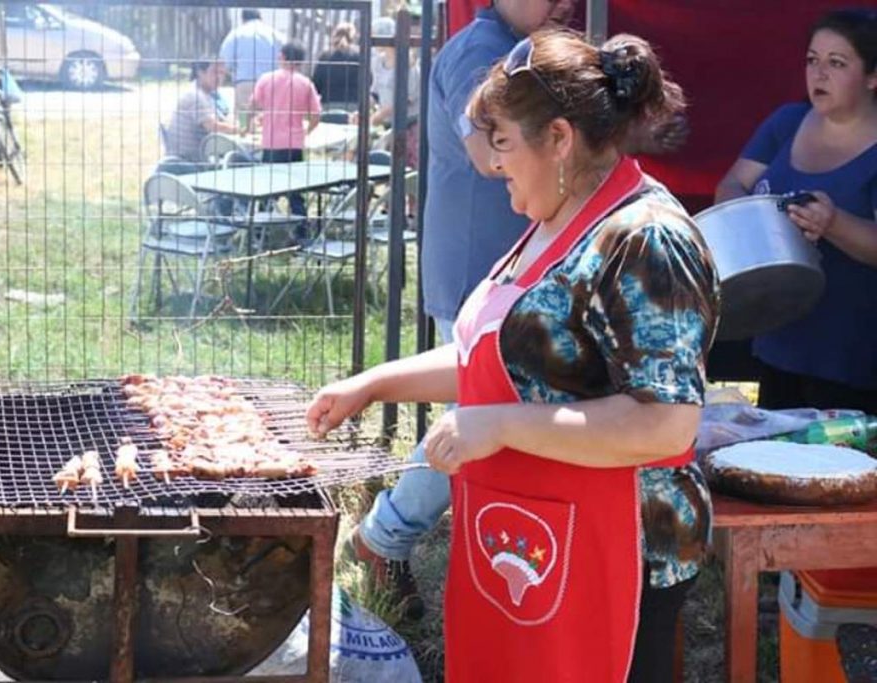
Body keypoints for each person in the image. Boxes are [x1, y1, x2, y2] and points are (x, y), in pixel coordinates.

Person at [309, 26, 720, 683]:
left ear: (558, 138)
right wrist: (373, 383)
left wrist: (497, 424)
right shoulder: (552, 216)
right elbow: (501, 362)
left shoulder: (648, 241)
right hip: (533, 537)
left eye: (502, 141)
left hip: (621, 547)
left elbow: (665, 422)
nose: (492, 162)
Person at [346, 0, 575, 621]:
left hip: (501, 264)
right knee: (475, 418)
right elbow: (484, 154)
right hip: (480, 265)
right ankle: (383, 536)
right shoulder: (480, 50)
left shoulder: (517, 45)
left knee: (483, 416)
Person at [714, 8, 877, 414]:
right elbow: (731, 185)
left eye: (836, 63)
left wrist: (834, 222)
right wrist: (756, 218)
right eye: (812, 60)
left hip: (852, 355)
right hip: (778, 338)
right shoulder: (786, 123)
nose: (818, 74)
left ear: (873, 77)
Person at [249, 42, 322, 236]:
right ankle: (301, 229)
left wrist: (255, 120)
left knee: (266, 190)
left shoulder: (266, 79)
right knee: (295, 191)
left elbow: (253, 104)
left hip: (271, 142)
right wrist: (307, 131)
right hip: (294, 143)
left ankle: (259, 230)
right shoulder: (305, 83)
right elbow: (316, 114)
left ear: (281, 56)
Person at [370, 16, 423, 169]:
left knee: (410, 170)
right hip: (388, 123)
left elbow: (407, 98)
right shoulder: (377, 61)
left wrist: (380, 115)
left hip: (410, 125)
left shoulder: (409, 63)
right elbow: (375, 90)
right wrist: (365, 108)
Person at [164, 59, 240, 164]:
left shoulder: (209, 95)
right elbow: (213, 127)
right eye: (214, 72)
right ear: (200, 73)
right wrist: (241, 130)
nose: (219, 77)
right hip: (188, 160)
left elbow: (223, 119)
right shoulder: (195, 96)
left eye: (222, 73)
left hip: (200, 155)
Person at [219, 9, 284, 125]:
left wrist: (234, 71)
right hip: (272, 83)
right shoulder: (275, 34)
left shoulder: (236, 34)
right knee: (269, 121)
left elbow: (224, 62)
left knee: (244, 123)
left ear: (243, 19)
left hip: (244, 82)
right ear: (261, 17)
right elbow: (284, 58)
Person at [312, 22, 362, 113]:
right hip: (353, 105)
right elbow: (368, 81)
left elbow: (316, 83)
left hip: (328, 104)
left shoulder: (325, 56)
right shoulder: (359, 56)